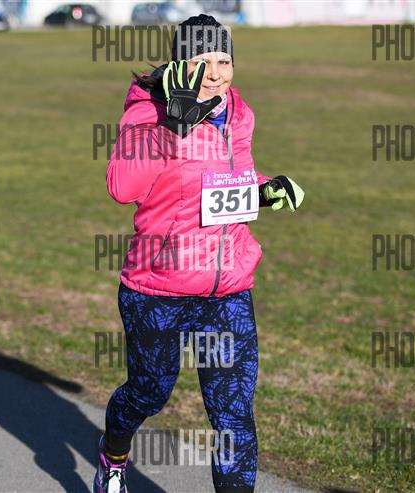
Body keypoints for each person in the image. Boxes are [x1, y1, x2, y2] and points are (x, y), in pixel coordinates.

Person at [94, 14, 305, 493]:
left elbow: (229, 181)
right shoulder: (148, 110)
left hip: (227, 286)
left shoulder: (239, 112)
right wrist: (171, 126)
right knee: (149, 393)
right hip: (158, 287)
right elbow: (122, 187)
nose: (215, 73)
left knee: (233, 414)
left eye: (224, 60)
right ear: (178, 64)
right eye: (201, 60)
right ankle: (113, 454)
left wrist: (264, 190)